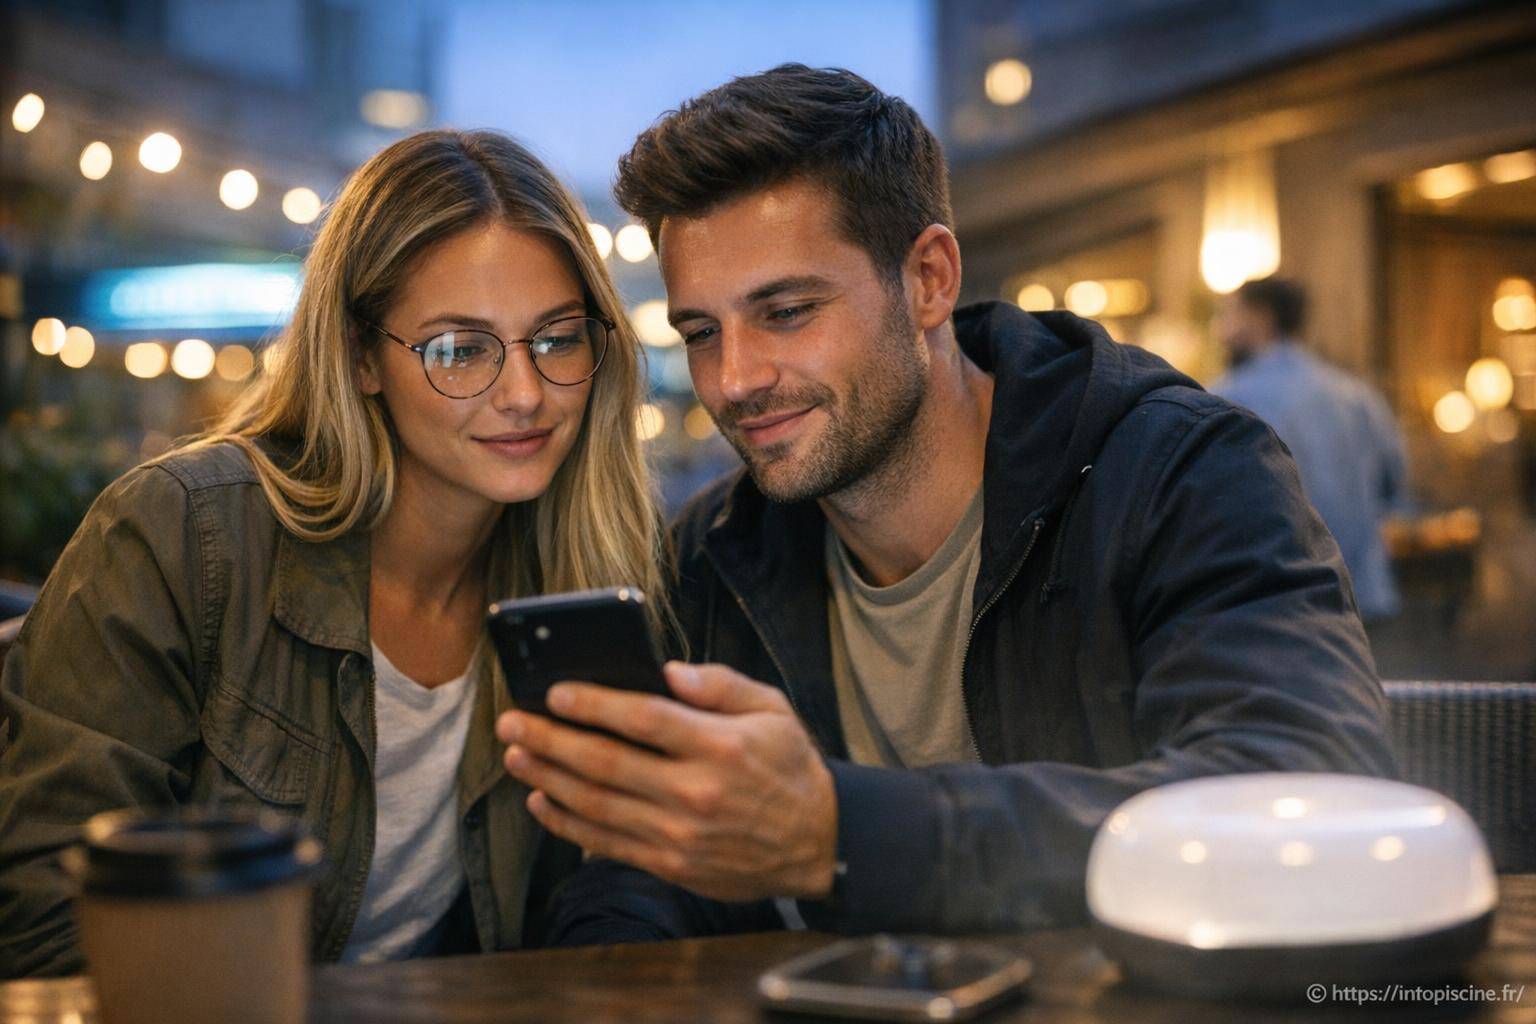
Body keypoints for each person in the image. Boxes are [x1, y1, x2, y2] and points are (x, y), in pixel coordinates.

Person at [494, 65, 1399, 941]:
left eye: (788, 311)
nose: (733, 381)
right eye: (701, 332)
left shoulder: (1178, 472)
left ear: (929, 279)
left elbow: (1308, 798)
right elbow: (644, 874)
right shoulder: (716, 551)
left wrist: (839, 835)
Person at [0, 129, 667, 977]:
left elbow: (606, 896)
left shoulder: (592, 578)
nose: (525, 393)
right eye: (459, 350)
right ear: (359, 358)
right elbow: (47, 924)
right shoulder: (182, 535)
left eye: (557, 338)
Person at [1212, 278, 1409, 621]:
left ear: (1260, 317)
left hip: (1276, 601)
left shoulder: (1227, 399)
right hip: (1360, 595)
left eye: (1230, 313)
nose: (1220, 328)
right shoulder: (1357, 395)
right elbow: (1395, 486)